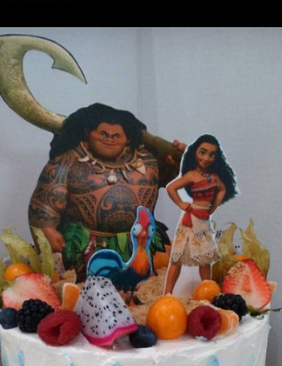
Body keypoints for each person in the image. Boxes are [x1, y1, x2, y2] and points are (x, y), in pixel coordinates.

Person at [29, 103, 182, 281]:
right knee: (87, 286)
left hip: (139, 243)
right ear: (87, 132)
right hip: (86, 247)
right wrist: (46, 228)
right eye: (103, 134)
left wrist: (185, 159)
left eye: (116, 135)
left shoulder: (148, 161)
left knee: (141, 283)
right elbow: (45, 201)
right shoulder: (67, 162)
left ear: (128, 138)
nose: (109, 139)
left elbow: (186, 183)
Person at [164, 134, 239, 295]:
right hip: (190, 221)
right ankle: (167, 294)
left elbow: (222, 189)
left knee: (205, 260)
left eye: (212, 154)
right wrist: (181, 203)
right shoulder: (192, 175)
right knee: (177, 259)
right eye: (202, 152)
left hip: (204, 222)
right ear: (195, 153)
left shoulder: (214, 177)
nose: (206, 158)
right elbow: (171, 188)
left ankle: (208, 292)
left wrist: (213, 207)